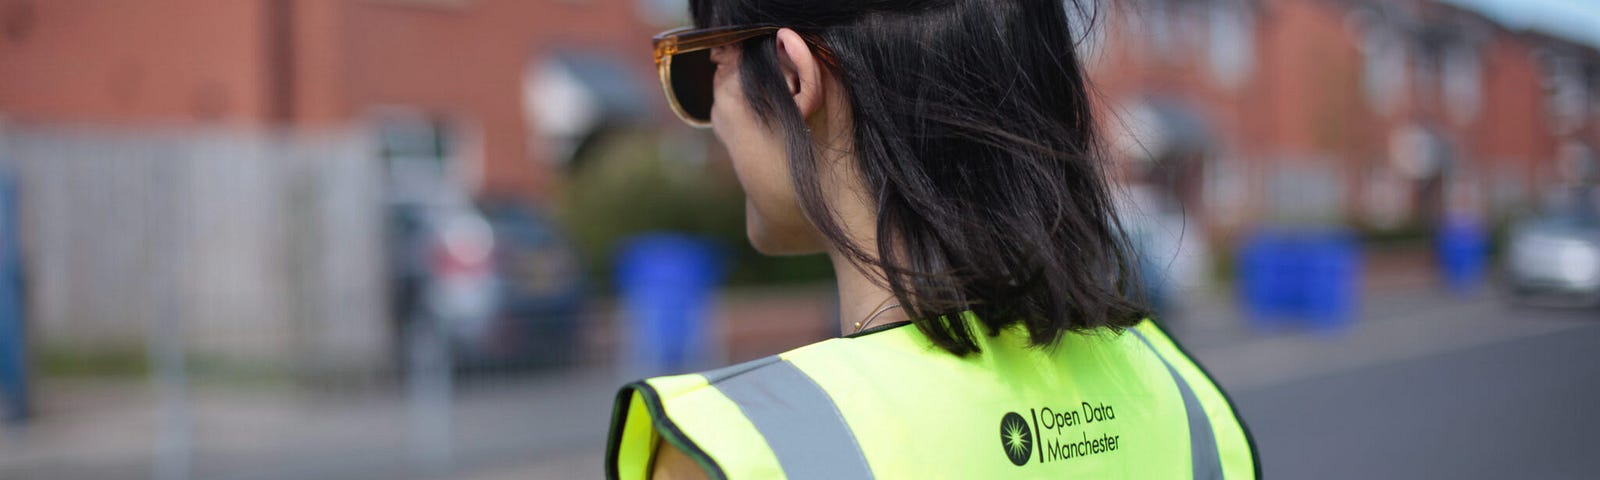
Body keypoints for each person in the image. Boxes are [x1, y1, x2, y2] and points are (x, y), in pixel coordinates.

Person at [608, 1, 1258, 478]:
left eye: (702, 68)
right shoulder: (1182, 395)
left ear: (790, 77)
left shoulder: (736, 449)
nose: (710, 116)